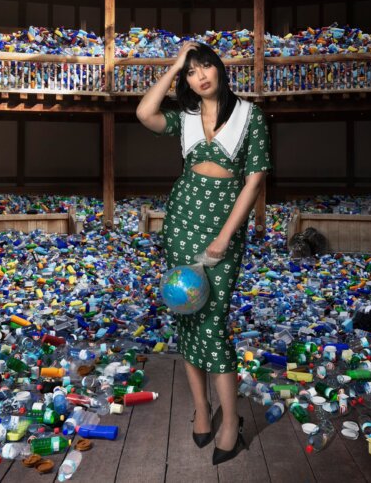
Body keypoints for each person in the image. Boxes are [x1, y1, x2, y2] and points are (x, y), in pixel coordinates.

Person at [136, 41, 272, 465]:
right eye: (192, 72)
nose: (201, 76)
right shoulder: (186, 118)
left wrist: (225, 237)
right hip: (182, 221)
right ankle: (201, 408)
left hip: (222, 227)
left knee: (212, 322)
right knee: (186, 315)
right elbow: (144, 113)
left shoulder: (251, 116)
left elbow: (253, 182)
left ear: (219, 68)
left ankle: (230, 420)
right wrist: (175, 63)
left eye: (205, 66)